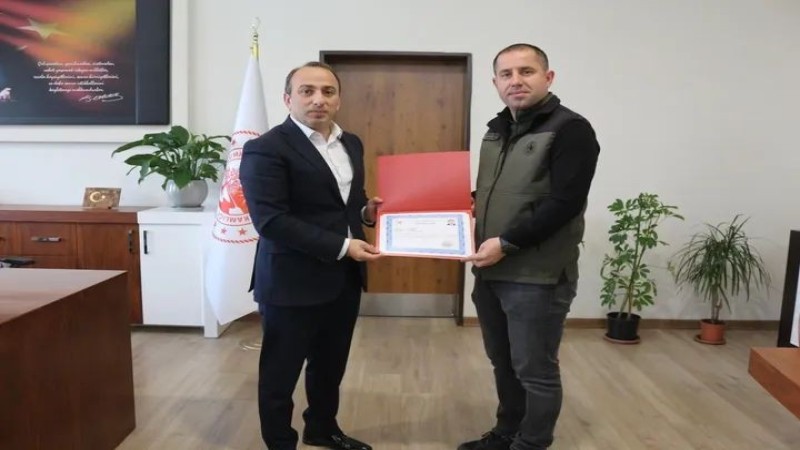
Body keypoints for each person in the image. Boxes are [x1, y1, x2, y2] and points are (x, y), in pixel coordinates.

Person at [460, 44, 600, 450]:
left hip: (537, 275)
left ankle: (532, 443)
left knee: (534, 369)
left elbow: (564, 202)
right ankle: (507, 432)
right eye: (506, 74)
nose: (516, 81)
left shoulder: (571, 129)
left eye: (526, 71)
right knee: (503, 362)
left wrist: (507, 243)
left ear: (548, 77)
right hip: (491, 270)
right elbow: (494, 193)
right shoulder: (496, 130)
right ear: (495, 82)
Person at [240, 61, 381, 450]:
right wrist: (343, 246)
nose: (319, 99)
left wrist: (367, 213)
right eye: (307, 91)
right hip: (290, 281)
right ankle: (280, 442)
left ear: (338, 100)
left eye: (328, 91)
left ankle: (322, 428)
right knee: (280, 372)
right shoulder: (265, 148)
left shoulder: (351, 143)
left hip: (344, 278)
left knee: (330, 365)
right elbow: (271, 221)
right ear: (288, 99)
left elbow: (345, 203)